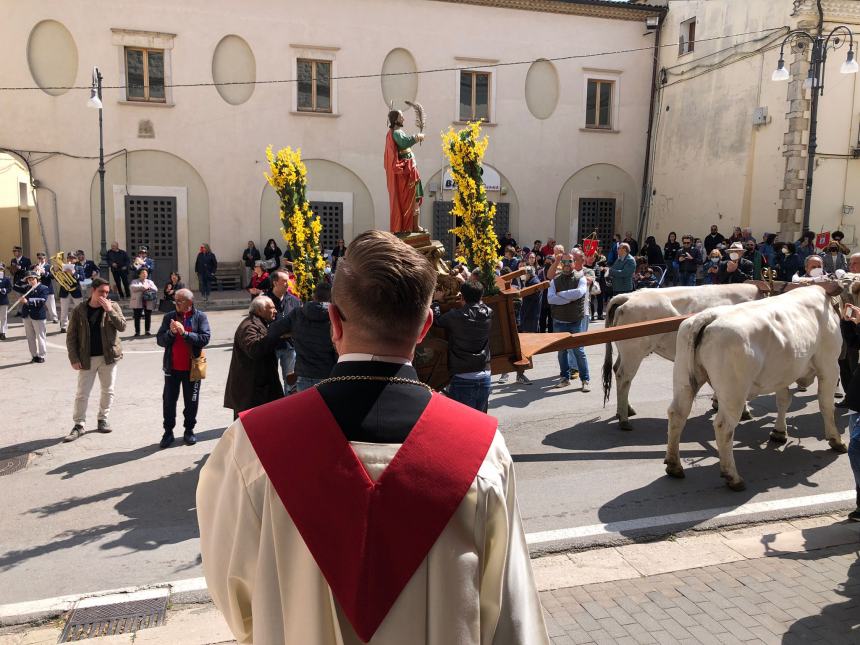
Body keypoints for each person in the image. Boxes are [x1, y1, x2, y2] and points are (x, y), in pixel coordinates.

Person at [198, 230, 548, 645]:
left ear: (333, 321)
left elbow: (235, 597)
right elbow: (510, 617)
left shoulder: (253, 447)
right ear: (425, 328)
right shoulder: (482, 451)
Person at [64, 277, 126, 441]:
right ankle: (79, 425)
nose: (104, 295)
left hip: (108, 357)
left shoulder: (113, 306)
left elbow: (122, 326)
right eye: (101, 292)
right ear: (93, 291)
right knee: (82, 393)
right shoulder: (79, 310)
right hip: (87, 358)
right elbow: (71, 337)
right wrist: (73, 358)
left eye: (107, 292)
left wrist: (110, 310)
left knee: (108, 390)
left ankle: (102, 419)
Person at [156, 288, 211, 448]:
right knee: (169, 401)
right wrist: (172, 333)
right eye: (176, 300)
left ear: (190, 302)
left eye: (180, 300)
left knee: (191, 401)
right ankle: (168, 432)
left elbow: (205, 338)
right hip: (172, 369)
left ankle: (189, 430)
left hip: (192, 369)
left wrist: (185, 333)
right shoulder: (169, 317)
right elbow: (160, 340)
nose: (176, 303)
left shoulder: (200, 317)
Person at [431, 280, 494, 411]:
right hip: (485, 375)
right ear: (481, 297)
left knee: (464, 427)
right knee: (480, 424)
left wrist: (436, 301)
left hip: (462, 377)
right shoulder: (488, 313)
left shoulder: (455, 316)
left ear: (462, 297)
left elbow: (437, 320)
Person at [267, 282, 338, 392]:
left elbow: (273, 329)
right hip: (329, 374)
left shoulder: (298, 313)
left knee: (306, 409)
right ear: (332, 297)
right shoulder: (336, 316)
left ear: (314, 296)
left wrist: (293, 331)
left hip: (304, 375)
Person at [223, 295, 283, 417]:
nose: (275, 311)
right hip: (250, 393)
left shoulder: (260, 323)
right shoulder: (249, 326)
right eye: (271, 308)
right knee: (248, 431)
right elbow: (254, 350)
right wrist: (275, 334)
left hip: (258, 390)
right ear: (260, 310)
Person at [548, 253, 591, 391]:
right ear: (561, 263)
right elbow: (551, 299)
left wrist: (560, 294)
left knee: (579, 351)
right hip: (559, 322)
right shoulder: (554, 280)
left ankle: (585, 380)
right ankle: (564, 378)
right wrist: (568, 297)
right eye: (564, 261)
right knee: (562, 352)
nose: (567, 264)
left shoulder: (581, 278)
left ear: (574, 262)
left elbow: (579, 293)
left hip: (575, 322)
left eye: (570, 261)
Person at [385, 109, 425, 233]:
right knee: (411, 199)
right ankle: (411, 227)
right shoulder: (396, 133)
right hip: (407, 171)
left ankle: (415, 226)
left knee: (417, 198)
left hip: (411, 168)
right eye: (401, 117)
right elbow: (404, 143)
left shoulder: (398, 132)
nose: (404, 119)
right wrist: (416, 137)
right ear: (395, 119)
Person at [264, 269, 302, 394]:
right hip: (271, 347)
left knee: (290, 382)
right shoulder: (264, 301)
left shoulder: (295, 301)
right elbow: (259, 324)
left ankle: (289, 408)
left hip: (290, 347)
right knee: (270, 381)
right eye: (284, 281)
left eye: (288, 281)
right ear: (275, 283)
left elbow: (300, 323)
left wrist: (291, 333)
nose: (288, 284)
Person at [839, 301, 860, 522]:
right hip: (858, 400)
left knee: (856, 448)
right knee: (855, 453)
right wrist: (847, 324)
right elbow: (855, 343)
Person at [17, 271, 50, 362]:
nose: (31, 281)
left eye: (32, 279)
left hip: (38, 316)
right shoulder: (27, 288)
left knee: (40, 336)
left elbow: (42, 301)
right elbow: (15, 286)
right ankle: (34, 355)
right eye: (29, 279)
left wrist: (27, 302)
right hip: (26, 315)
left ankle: (42, 355)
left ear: (37, 279)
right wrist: (23, 278)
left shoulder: (43, 288)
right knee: (30, 337)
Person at [129, 268, 158, 336]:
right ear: (139, 274)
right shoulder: (135, 281)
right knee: (137, 317)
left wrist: (148, 287)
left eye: (145, 273)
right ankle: (137, 332)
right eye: (142, 273)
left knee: (148, 316)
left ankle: (147, 330)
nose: (144, 274)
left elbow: (155, 289)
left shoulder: (150, 281)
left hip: (148, 301)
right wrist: (143, 287)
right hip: (137, 301)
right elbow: (132, 287)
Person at [58, 261, 83, 333]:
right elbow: (56, 279)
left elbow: (82, 278)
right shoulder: (62, 268)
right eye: (69, 258)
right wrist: (57, 271)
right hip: (64, 291)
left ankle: (80, 325)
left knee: (79, 310)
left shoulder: (79, 268)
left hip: (76, 291)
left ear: (75, 259)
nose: (71, 259)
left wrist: (74, 273)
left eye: (72, 258)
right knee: (63, 310)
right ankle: (63, 326)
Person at [32, 252, 58, 323]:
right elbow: (31, 276)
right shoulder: (35, 266)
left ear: (45, 258)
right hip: (38, 289)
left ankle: (54, 318)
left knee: (51, 304)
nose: (40, 260)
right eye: (39, 258)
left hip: (48, 288)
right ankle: (39, 317)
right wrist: (34, 270)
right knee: (39, 304)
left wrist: (45, 273)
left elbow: (53, 277)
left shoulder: (49, 266)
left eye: (42, 258)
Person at [519, 265, 541, 333]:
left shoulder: (535, 282)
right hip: (528, 313)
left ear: (529, 274)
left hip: (531, 313)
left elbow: (533, 296)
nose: (523, 276)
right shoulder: (530, 281)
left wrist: (524, 291)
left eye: (524, 274)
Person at [0, 265, 10, 340]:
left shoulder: (6, 279)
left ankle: (3, 332)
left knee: (3, 317)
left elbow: (10, 288)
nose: (0, 271)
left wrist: (5, 290)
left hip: (3, 300)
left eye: (1, 269)